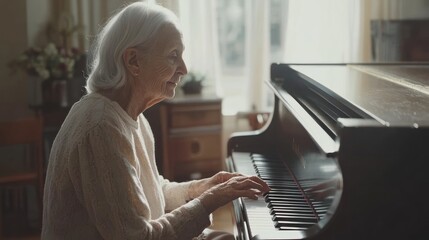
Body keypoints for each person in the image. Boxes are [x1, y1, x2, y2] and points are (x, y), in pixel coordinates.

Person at [41, 2, 270, 240]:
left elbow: (148, 192)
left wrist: (198, 189)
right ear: (133, 61)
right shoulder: (101, 127)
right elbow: (137, 236)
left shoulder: (131, 116)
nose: (184, 68)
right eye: (173, 56)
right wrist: (207, 202)